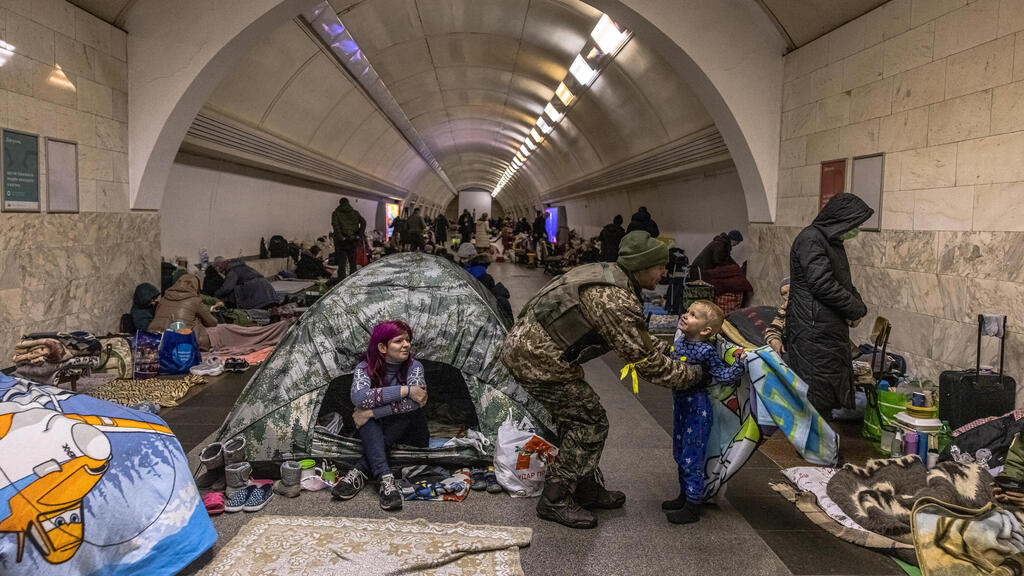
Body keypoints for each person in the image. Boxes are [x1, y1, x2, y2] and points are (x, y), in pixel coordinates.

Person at [499, 231, 705, 529]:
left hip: (531, 348)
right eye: (660, 266)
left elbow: (638, 340)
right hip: (537, 358)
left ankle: (585, 487)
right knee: (589, 422)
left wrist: (677, 352)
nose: (664, 273)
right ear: (642, 267)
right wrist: (694, 375)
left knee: (579, 418)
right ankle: (554, 499)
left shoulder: (609, 274)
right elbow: (645, 363)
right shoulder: (614, 299)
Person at [788, 193, 872, 416]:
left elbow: (843, 282)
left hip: (826, 328)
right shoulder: (811, 239)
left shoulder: (831, 240)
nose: (857, 230)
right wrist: (854, 310)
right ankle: (813, 449)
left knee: (826, 392)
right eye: (856, 224)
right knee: (816, 393)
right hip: (814, 330)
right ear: (842, 219)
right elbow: (822, 284)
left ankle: (822, 446)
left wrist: (859, 308)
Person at [664, 300, 746, 525]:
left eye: (693, 315)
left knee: (692, 456)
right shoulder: (680, 341)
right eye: (687, 311)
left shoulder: (706, 350)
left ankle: (692, 505)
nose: (685, 315)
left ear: (705, 330)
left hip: (697, 408)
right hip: (681, 406)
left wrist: (739, 364)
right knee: (680, 452)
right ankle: (683, 495)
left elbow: (723, 375)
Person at [331, 320, 428, 511]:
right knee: (366, 419)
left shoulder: (415, 367)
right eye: (399, 341)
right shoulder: (364, 368)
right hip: (375, 430)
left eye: (407, 340)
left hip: (409, 431)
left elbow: (416, 402)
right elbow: (359, 398)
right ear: (383, 347)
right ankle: (386, 478)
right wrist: (405, 390)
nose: (406, 345)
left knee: (397, 413)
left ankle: (360, 470)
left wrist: (372, 412)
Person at [150, 274, 222, 350]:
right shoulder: (195, 300)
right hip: (183, 340)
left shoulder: (164, 298)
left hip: (156, 338)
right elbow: (212, 322)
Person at [214, 259, 283, 310]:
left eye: (221, 268)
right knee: (268, 308)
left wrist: (215, 295)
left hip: (256, 292)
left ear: (225, 263)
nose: (222, 272)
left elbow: (227, 288)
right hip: (267, 288)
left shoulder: (233, 271)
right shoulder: (244, 267)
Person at [332, 197, 366, 279]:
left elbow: (335, 226)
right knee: (353, 263)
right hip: (353, 240)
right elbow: (364, 222)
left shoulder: (336, 213)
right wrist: (359, 234)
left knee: (342, 264)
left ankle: (341, 283)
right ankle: (352, 281)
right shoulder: (355, 213)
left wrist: (341, 237)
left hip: (341, 242)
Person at [765, 277, 791, 356]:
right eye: (784, 293)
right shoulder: (784, 310)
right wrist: (774, 340)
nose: (788, 295)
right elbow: (774, 329)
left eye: (791, 290)